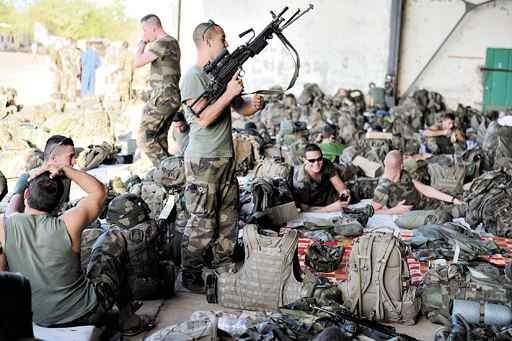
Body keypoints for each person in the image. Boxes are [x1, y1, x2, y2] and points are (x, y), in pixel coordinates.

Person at [0, 166, 154, 335]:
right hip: (88, 313)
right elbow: (100, 191)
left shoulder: (5, 226)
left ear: (26, 195)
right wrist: (64, 169)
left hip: (40, 320)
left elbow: (11, 209)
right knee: (113, 237)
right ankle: (128, 320)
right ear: (60, 205)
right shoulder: (68, 222)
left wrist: (23, 182)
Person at [180, 20, 264, 291]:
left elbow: (242, 108)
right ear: (207, 42)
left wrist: (256, 103)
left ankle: (222, 265)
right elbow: (203, 118)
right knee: (203, 221)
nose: (226, 44)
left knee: (229, 217)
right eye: (222, 39)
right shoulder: (192, 77)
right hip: (203, 160)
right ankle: (191, 274)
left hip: (226, 157)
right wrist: (229, 94)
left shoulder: (222, 74)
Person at [134, 14, 181, 167]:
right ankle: (169, 176)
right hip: (170, 96)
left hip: (163, 96)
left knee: (144, 137)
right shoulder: (172, 42)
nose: (144, 34)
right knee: (158, 138)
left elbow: (138, 62)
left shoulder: (162, 43)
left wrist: (142, 43)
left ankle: (170, 172)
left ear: (153, 28)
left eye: (144, 30)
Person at [372, 150, 463, 215]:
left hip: (429, 202)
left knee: (459, 196)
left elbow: (425, 189)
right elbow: (373, 210)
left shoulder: (404, 174)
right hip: (425, 212)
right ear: (401, 164)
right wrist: (394, 210)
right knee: (461, 210)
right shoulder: (382, 189)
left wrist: (452, 199)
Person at [6, 135, 76, 216]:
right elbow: (9, 216)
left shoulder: (66, 178)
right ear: (54, 158)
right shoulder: (27, 178)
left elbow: (63, 206)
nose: (74, 161)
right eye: (70, 157)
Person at [292, 144, 350, 213]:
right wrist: (330, 208)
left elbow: (342, 189)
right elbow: (305, 209)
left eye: (319, 159)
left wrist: (344, 197)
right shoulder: (300, 181)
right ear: (305, 160)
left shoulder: (326, 163)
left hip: (329, 197)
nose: (316, 163)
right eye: (311, 160)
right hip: (315, 207)